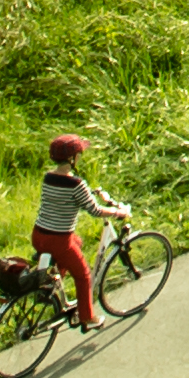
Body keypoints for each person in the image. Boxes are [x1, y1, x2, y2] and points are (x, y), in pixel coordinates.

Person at [27, 132, 112, 330]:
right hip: (58, 241)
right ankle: (87, 318)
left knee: (78, 241)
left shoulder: (48, 178)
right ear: (72, 159)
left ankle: (52, 286)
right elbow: (95, 210)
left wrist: (89, 193)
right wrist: (118, 212)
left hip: (39, 235)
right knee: (83, 275)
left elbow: (63, 197)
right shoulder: (76, 184)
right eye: (79, 154)